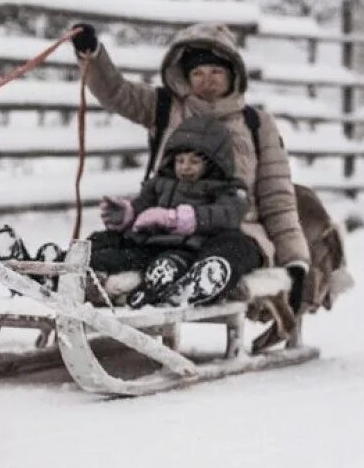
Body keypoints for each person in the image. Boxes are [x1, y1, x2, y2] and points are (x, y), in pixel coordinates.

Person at [71, 22, 310, 313]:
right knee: (114, 244)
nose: (206, 80)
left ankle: (201, 280)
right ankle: (65, 269)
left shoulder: (256, 125)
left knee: (231, 250)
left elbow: (278, 201)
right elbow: (118, 93)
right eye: (197, 72)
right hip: (166, 230)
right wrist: (93, 55)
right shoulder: (166, 107)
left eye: (216, 71)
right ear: (184, 76)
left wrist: (295, 263)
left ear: (234, 73)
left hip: (235, 231)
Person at [90, 114, 249, 308]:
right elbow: (142, 205)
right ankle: (70, 267)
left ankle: (158, 286)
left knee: (170, 264)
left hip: (187, 249)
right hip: (147, 246)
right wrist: (127, 214)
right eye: (180, 161)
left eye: (194, 162)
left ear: (213, 164)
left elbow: (227, 214)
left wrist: (175, 219)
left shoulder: (224, 189)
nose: (185, 168)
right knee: (106, 245)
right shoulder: (160, 184)